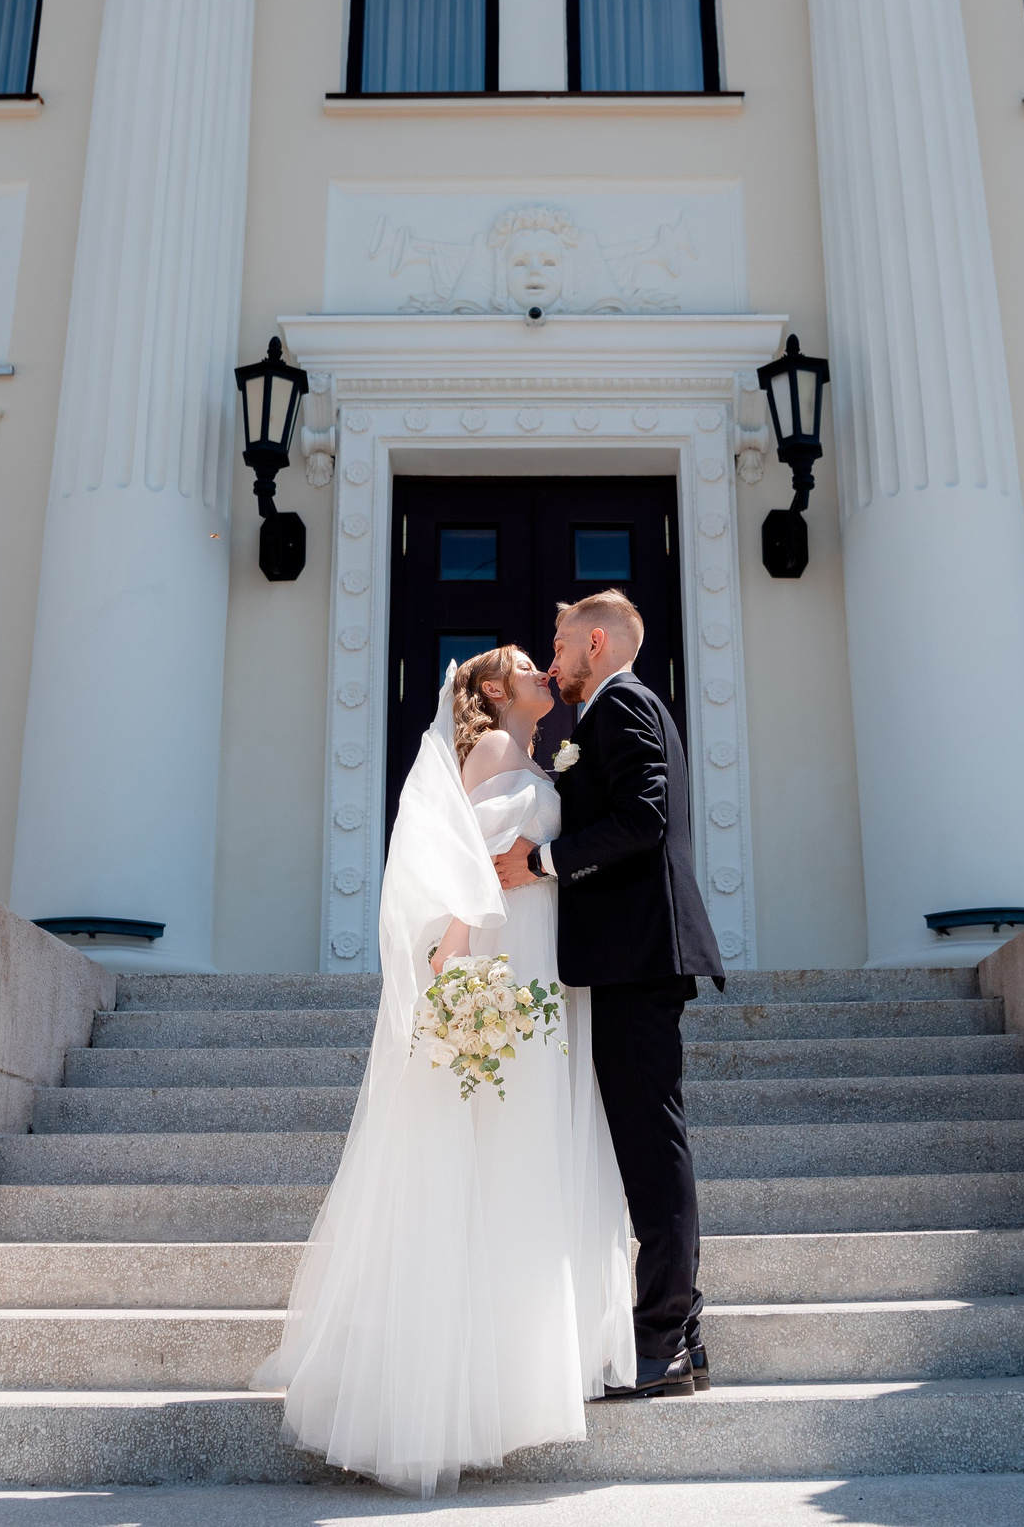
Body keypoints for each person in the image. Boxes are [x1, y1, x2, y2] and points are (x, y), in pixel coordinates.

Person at [253, 647, 636, 1497]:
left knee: (517, 1153)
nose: (545, 671)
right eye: (529, 665)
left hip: (539, 958)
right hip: (507, 958)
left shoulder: (532, 756)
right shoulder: (498, 749)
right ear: (496, 692)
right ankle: (471, 1385)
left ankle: (502, 1371)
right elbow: (457, 857)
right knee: (499, 1148)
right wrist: (455, 971)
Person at [492, 589, 727, 1401]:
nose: (553, 659)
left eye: (559, 642)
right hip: (629, 958)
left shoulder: (623, 703)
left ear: (597, 640)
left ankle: (660, 1336)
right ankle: (682, 1336)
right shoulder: (614, 709)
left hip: (637, 959)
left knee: (652, 1155)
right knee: (648, 1148)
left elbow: (646, 817)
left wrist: (546, 862)